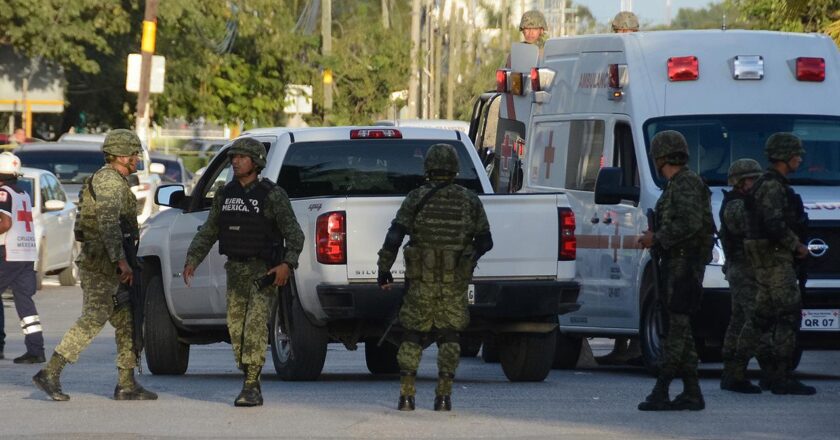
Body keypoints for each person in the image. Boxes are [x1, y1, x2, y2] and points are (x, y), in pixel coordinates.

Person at [33, 129, 156, 401]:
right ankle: (50, 372)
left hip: (108, 261)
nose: (136, 158)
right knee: (93, 319)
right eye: (133, 153)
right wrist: (121, 261)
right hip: (103, 265)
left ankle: (126, 383)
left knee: (126, 322)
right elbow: (109, 224)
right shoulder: (110, 182)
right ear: (121, 155)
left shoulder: (113, 180)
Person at [183, 137, 304, 407]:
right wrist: (193, 259)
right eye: (233, 157)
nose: (235, 161)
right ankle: (248, 373)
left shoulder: (273, 195)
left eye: (242, 157)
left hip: (263, 272)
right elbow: (211, 230)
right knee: (236, 329)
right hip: (235, 270)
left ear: (256, 162)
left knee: (254, 327)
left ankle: (251, 386)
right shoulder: (225, 195)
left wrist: (287, 264)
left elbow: (295, 235)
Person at [377, 143, 493, 412]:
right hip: (454, 283)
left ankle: (406, 397)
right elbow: (486, 241)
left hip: (421, 282)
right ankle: (444, 397)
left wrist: (383, 269)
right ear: (454, 168)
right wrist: (466, 259)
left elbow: (395, 236)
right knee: (450, 337)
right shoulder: (470, 200)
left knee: (413, 336)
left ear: (428, 167)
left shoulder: (416, 197)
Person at [637, 131, 714, 411]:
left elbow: (690, 224)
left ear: (660, 157)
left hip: (685, 268)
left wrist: (655, 238)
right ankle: (692, 392)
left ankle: (662, 389)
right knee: (680, 330)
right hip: (675, 265)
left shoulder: (686, 184)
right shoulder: (676, 185)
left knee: (675, 332)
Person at [743, 133, 816, 395]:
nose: (799, 158)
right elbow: (774, 224)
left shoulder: (765, 184)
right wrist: (796, 246)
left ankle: (769, 373)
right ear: (785, 156)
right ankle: (781, 376)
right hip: (775, 260)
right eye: (796, 154)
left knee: (764, 317)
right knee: (787, 315)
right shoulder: (773, 186)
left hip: (765, 259)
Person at [719, 159, 765, 393]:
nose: (756, 183)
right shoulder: (737, 206)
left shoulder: (741, 202)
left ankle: (732, 373)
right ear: (740, 182)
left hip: (744, 268)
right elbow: (749, 228)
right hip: (743, 269)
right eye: (752, 179)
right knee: (755, 319)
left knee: (738, 321)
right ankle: (742, 371)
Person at [0, 152, 45, 364]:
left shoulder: (3, 193)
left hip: (8, 252)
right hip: (26, 253)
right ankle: (36, 349)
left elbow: (5, 224)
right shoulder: (22, 193)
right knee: (24, 301)